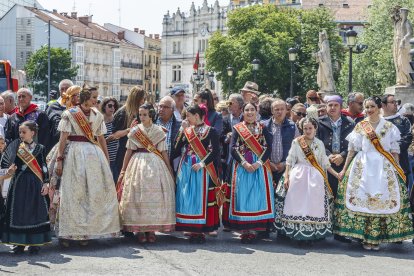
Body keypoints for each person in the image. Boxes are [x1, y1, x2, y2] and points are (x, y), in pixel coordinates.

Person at [335, 96, 414, 251]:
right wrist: (344, 169)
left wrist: (398, 168)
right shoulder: (360, 126)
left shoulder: (389, 127)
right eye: (366, 107)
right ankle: (363, 236)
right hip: (362, 165)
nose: (369, 110)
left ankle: (376, 238)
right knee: (361, 197)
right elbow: (352, 149)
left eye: (372, 106)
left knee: (382, 199)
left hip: (383, 166)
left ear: (379, 107)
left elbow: (394, 150)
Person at [55, 86, 120, 247]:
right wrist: (59, 158)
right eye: (94, 98)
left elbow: (101, 138)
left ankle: (86, 233)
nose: (96, 100)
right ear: (85, 98)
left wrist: (106, 157)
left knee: (90, 193)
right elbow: (63, 138)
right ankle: (67, 233)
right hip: (74, 153)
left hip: (93, 155)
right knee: (72, 193)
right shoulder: (70, 114)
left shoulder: (98, 115)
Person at [118, 103, 175, 243]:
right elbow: (129, 151)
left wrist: (169, 169)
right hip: (137, 163)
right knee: (138, 196)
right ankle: (141, 230)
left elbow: (163, 152)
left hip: (156, 164)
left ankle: (151, 230)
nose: (141, 117)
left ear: (151, 115)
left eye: (144, 115)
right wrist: (123, 170)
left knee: (154, 196)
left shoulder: (159, 131)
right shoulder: (134, 131)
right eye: (140, 114)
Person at [275, 118, 339, 244]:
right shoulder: (297, 142)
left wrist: (337, 174)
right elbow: (290, 160)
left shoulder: (319, 143)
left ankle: (312, 235)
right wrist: (287, 177)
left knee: (314, 204)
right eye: (305, 128)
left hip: (315, 177)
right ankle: (295, 234)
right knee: (295, 204)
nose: (308, 131)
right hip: (298, 175)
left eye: (310, 128)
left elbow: (325, 163)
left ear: (315, 128)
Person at [222, 103, 275, 243]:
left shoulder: (263, 128)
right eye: (247, 110)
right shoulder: (238, 129)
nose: (250, 112)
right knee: (243, 196)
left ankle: (254, 229)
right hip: (242, 166)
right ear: (243, 112)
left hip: (259, 167)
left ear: (256, 111)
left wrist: (258, 163)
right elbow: (233, 148)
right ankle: (244, 230)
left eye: (252, 109)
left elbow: (269, 148)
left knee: (258, 197)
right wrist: (244, 163)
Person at [1, 121, 51, 254]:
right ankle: (19, 243)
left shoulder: (40, 148)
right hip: (19, 184)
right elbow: (8, 165)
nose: (21, 134)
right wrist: (10, 170)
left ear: (32, 133)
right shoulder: (17, 147)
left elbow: (44, 166)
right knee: (18, 211)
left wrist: (46, 183)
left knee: (35, 211)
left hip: (35, 183)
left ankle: (35, 243)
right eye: (20, 132)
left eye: (24, 132)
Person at [173, 105, 220, 243]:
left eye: (188, 115)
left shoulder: (211, 131)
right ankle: (190, 226)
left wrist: (202, 163)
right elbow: (176, 149)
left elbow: (215, 152)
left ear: (197, 116)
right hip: (187, 167)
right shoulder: (187, 131)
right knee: (187, 196)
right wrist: (181, 130)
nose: (186, 118)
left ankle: (200, 230)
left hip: (202, 169)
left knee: (201, 198)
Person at [317, 95, 354, 198]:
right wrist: (328, 155)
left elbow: (354, 144)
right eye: (330, 105)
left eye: (336, 105)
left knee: (343, 194)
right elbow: (316, 142)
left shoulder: (350, 124)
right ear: (326, 107)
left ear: (341, 107)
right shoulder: (319, 123)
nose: (332, 107)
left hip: (344, 163)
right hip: (325, 162)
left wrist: (342, 155)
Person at [111, 86, 146, 180]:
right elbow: (114, 135)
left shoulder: (142, 113)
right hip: (124, 152)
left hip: (139, 153)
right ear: (137, 98)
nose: (143, 101)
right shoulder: (122, 113)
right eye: (142, 98)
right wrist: (129, 130)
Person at [264, 99, 300, 184]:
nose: (280, 111)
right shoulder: (264, 126)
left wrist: (284, 164)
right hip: (266, 168)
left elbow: (297, 149)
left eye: (282, 109)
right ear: (272, 111)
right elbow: (259, 148)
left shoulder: (292, 126)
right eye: (277, 109)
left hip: (286, 170)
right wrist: (268, 163)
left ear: (286, 110)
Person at [382, 94, 412, 189]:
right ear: (383, 105)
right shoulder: (378, 122)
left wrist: (393, 149)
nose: (395, 104)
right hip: (382, 163)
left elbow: (408, 137)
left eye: (396, 102)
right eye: (392, 102)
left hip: (401, 161)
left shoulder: (404, 120)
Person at [46, 84, 79, 149]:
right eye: (62, 89)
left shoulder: (80, 106)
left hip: (76, 145)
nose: (64, 91)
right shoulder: (52, 106)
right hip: (56, 143)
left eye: (67, 88)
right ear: (59, 91)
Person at [155, 96, 182, 172]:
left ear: (172, 110)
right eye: (160, 106)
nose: (161, 109)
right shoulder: (150, 122)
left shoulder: (179, 126)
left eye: (165, 107)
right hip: (152, 166)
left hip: (170, 168)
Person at [221, 94, 244, 182]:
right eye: (228, 102)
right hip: (227, 158)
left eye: (231, 103)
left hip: (242, 160)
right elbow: (220, 136)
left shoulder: (246, 119)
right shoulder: (224, 119)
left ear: (239, 105)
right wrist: (226, 137)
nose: (228, 105)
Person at [101, 97, 120, 182]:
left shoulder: (117, 120)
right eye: (110, 106)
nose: (113, 108)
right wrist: (107, 140)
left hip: (117, 159)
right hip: (104, 159)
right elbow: (96, 141)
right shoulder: (100, 121)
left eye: (114, 106)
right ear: (104, 106)